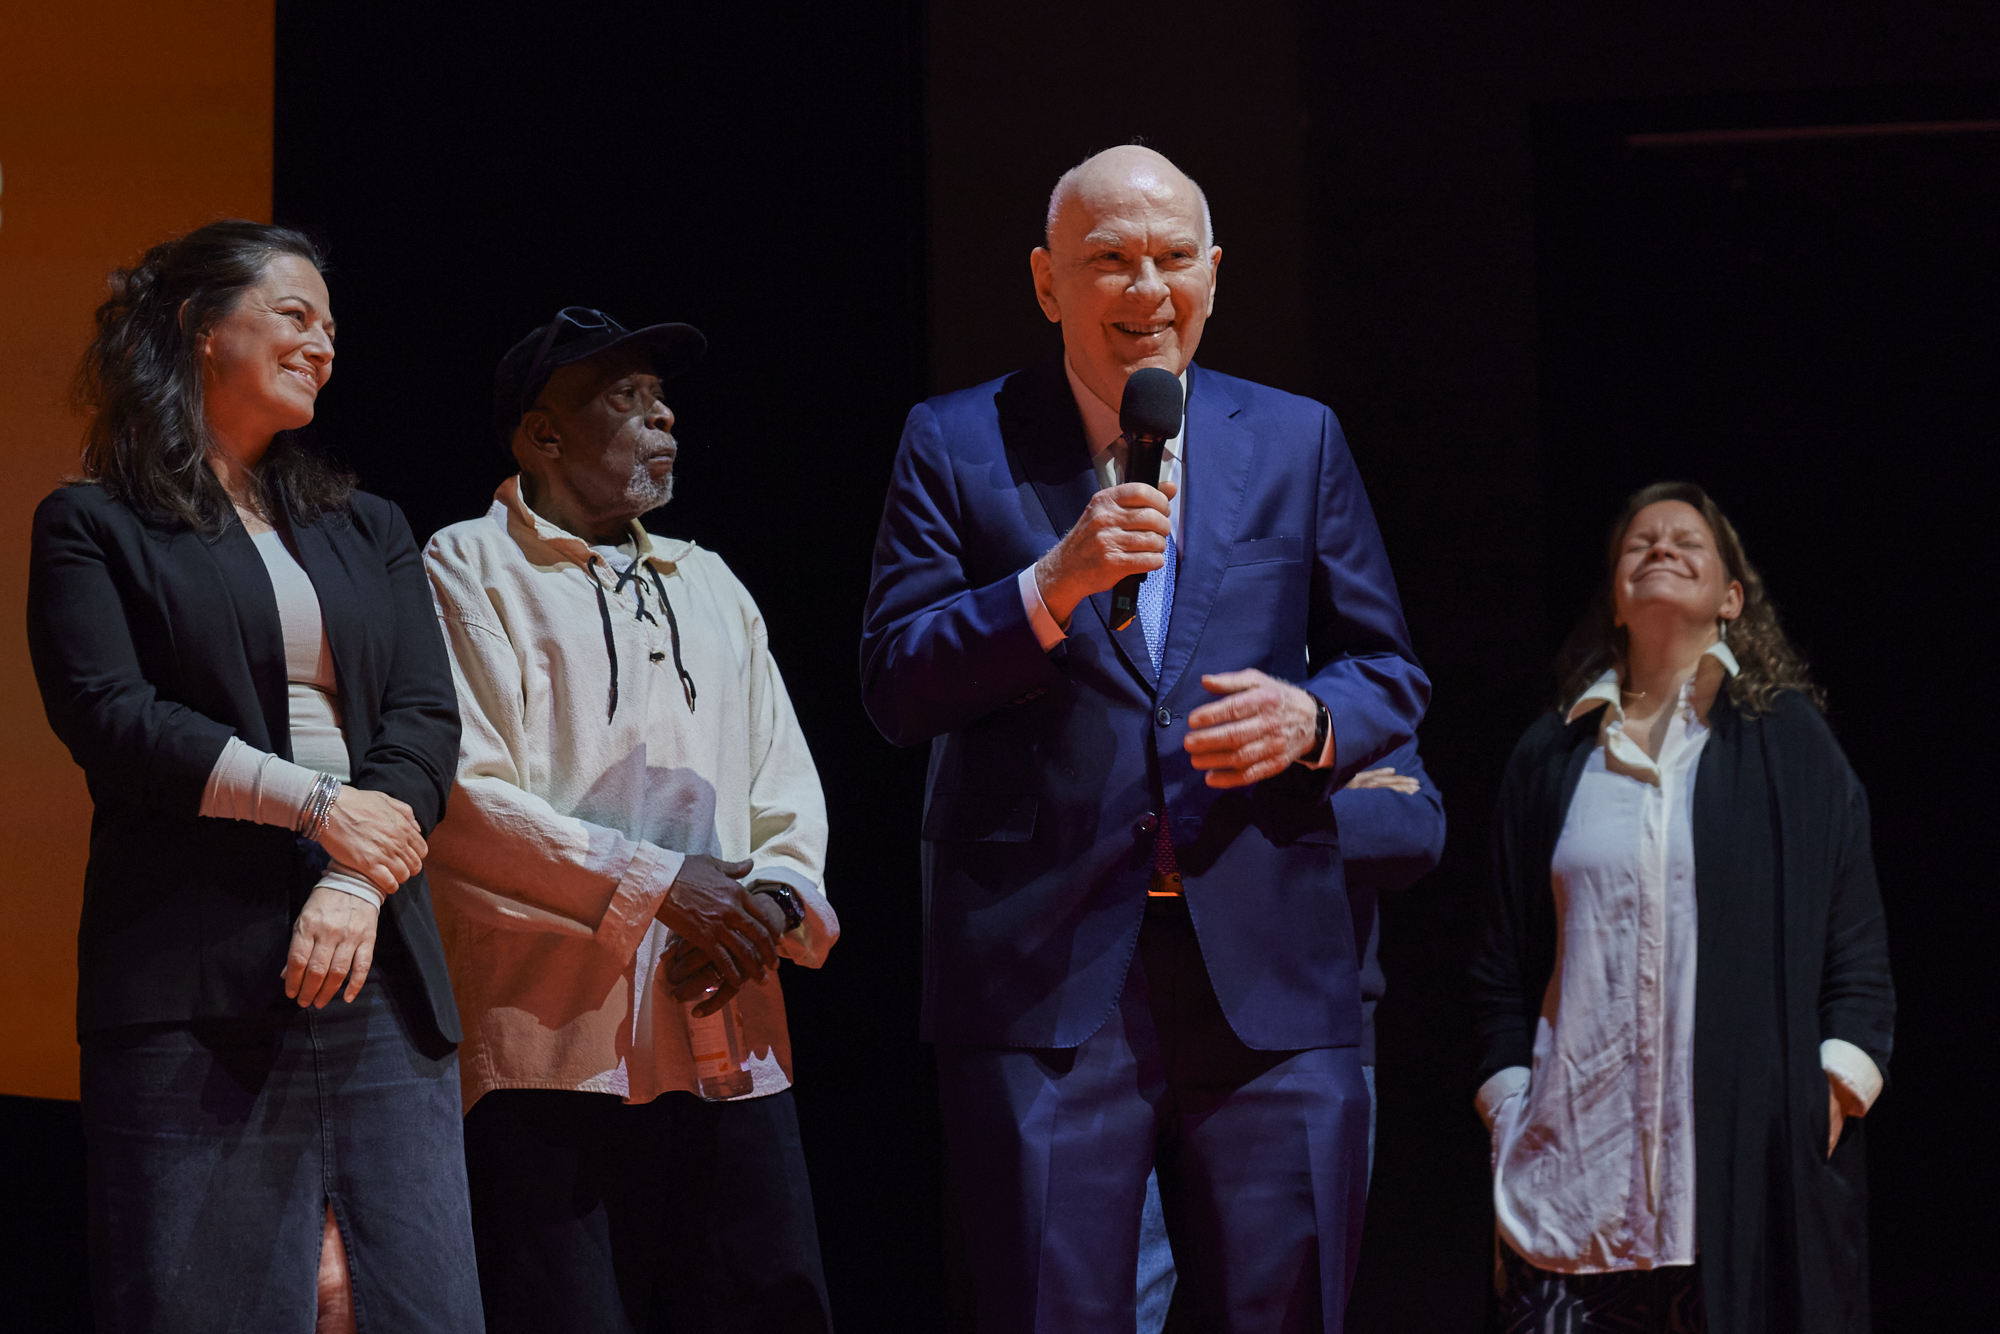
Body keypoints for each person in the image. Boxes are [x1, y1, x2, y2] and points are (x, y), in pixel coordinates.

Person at [861, 145, 1429, 1331]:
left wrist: (1314, 719)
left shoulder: (1296, 438)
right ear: (1045, 280)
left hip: (1266, 960)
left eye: (1172, 257)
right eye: (1108, 259)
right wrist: (1048, 584)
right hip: (1042, 971)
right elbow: (895, 683)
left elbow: (1385, 667)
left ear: (1213, 271)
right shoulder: (955, 439)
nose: (1146, 289)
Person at [25, 221, 479, 1332]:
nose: (323, 345)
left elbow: (424, 717)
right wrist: (317, 806)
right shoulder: (93, 522)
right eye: (294, 315)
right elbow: (115, 718)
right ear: (197, 326)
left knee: (396, 1303)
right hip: (192, 983)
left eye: (331, 328)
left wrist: (353, 878)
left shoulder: (367, 525)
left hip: (374, 958)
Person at [423, 307, 839, 1334]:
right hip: (555, 1046)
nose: (664, 418)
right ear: (542, 435)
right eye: (626, 397)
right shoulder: (468, 566)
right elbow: (464, 800)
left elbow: (785, 779)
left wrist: (775, 900)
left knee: (766, 1306)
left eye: (661, 398)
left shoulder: (709, 580)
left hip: (725, 1026)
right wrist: (659, 886)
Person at [1470, 482, 1894, 1333]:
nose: (1661, 546)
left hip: (1741, 1204)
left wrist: (1828, 1094)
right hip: (1569, 1197)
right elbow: (1499, 964)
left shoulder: (1790, 745)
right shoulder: (1552, 756)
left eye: (1687, 541)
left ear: (1731, 599)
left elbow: (1855, 947)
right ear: (1615, 600)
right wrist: (1509, 1106)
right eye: (1640, 542)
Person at [1136, 743, 1445, 1325]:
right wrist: (1308, 800)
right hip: (1132, 1038)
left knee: (1281, 1306)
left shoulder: (1338, 694)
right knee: (1120, 1301)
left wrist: (1207, 814)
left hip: (1303, 1044)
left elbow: (1414, 828)